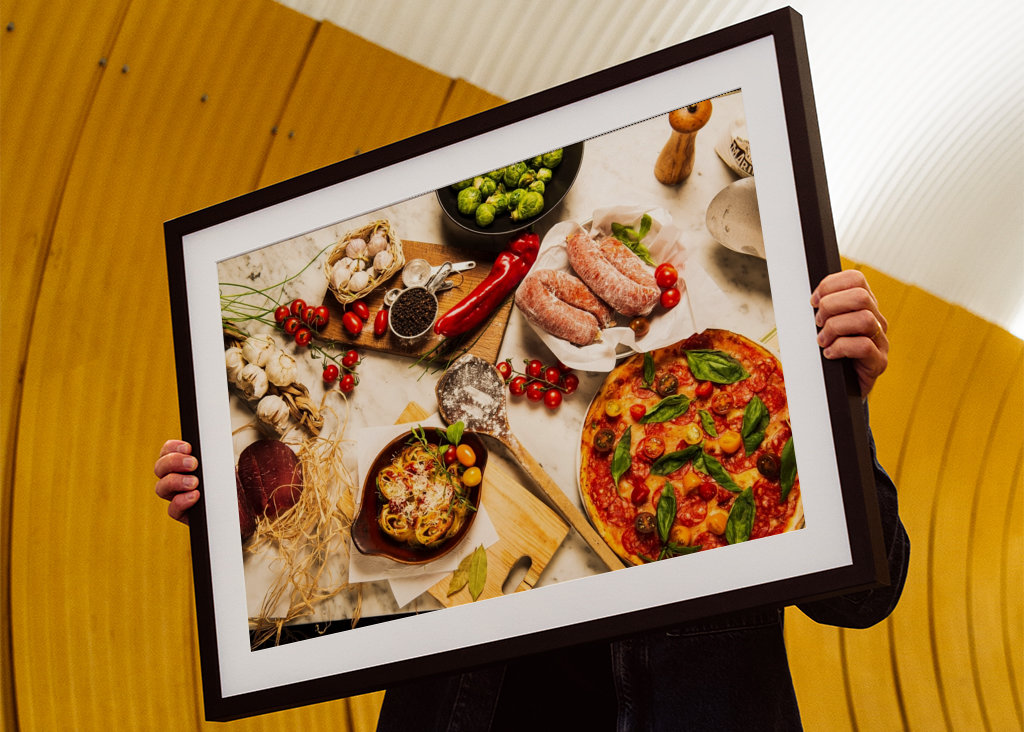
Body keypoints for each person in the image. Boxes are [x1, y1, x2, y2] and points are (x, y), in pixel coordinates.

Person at [155, 270, 908, 731]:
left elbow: (866, 596)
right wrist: (242, 524)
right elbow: (333, 620)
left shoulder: (768, 446)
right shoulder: (450, 489)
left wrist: (840, 407)